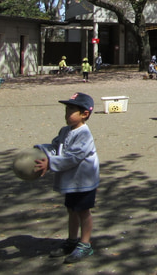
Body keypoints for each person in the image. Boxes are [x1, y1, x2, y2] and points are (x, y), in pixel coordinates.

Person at [35, 92, 99, 264]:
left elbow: (73, 157)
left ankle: (85, 244)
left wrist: (50, 163)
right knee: (71, 209)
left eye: (71, 110)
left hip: (84, 181)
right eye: (66, 110)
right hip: (71, 181)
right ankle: (72, 240)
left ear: (85, 114)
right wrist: (41, 150)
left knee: (83, 211)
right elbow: (56, 146)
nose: (66, 114)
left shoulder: (84, 134)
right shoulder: (65, 131)